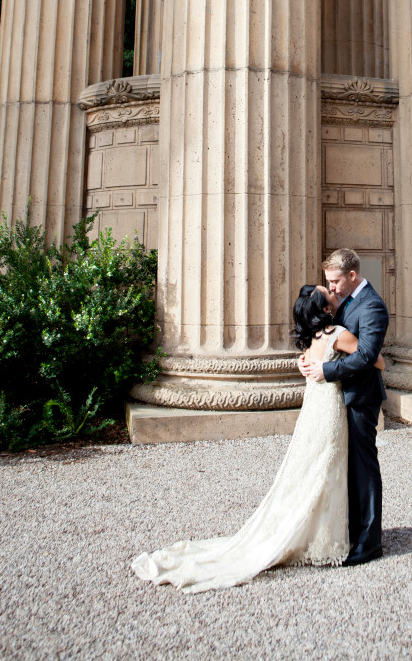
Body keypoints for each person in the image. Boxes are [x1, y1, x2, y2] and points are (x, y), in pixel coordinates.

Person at [131, 284, 385, 593]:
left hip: (314, 412)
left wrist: (318, 365)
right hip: (330, 410)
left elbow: (316, 362)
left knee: (310, 469)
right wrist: (332, 366)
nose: (332, 291)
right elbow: (377, 361)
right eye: (327, 291)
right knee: (327, 470)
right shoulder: (337, 333)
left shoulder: (309, 339)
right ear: (326, 309)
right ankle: (325, 534)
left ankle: (322, 530)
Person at [300, 248, 389, 566]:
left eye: (335, 281)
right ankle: (353, 533)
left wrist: (326, 371)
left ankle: (370, 542)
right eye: (329, 282)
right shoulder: (347, 302)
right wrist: (311, 359)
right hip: (341, 397)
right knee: (348, 467)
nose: (332, 287)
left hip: (362, 397)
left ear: (352, 276)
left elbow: (367, 356)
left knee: (364, 469)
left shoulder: (373, 306)